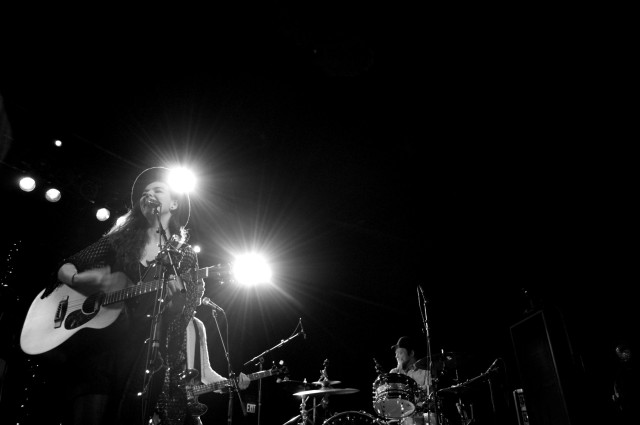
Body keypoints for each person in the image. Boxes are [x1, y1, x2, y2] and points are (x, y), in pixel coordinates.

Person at [45, 166, 248, 425]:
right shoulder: (119, 240)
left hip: (141, 359)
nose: (147, 194)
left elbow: (180, 316)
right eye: (144, 192)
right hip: (98, 351)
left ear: (173, 204)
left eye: (157, 190)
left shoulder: (184, 255)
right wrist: (78, 279)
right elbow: (67, 265)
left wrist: (175, 301)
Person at [388, 336, 432, 425]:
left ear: (411, 353)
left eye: (400, 353)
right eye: (396, 353)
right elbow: (391, 399)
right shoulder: (394, 373)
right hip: (401, 416)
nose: (396, 356)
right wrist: (398, 374)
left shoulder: (425, 372)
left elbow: (430, 394)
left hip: (421, 416)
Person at [612, 342, 638, 425]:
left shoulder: (631, 365)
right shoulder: (619, 366)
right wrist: (616, 393)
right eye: (618, 354)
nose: (619, 356)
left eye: (620, 353)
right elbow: (616, 382)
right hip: (624, 397)